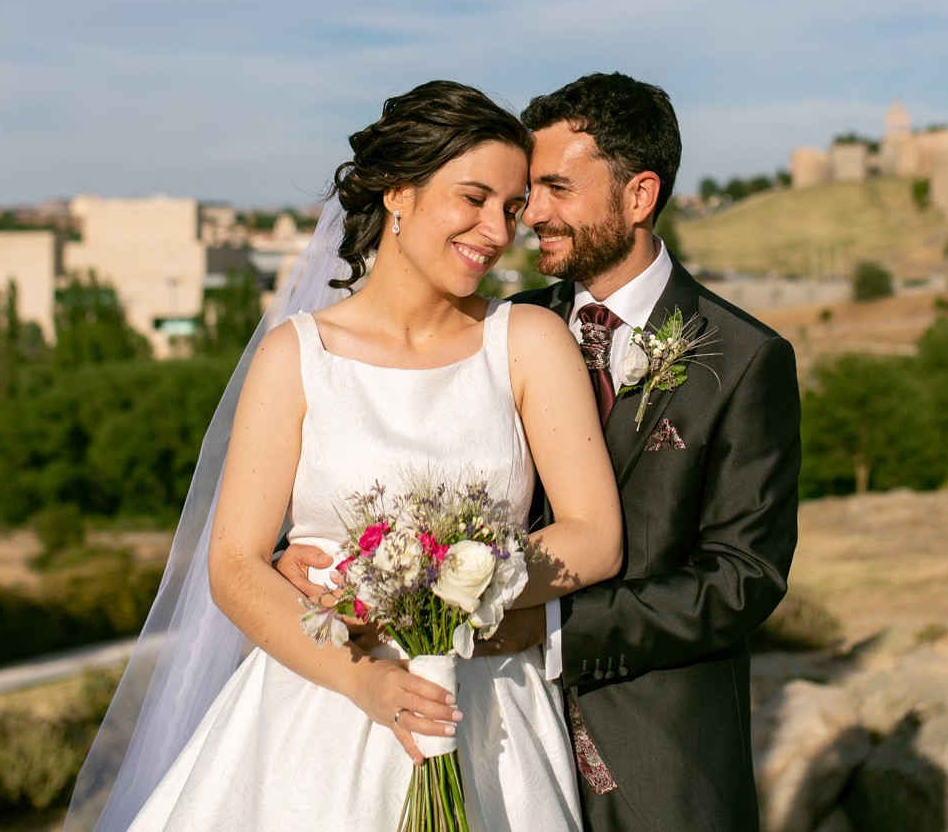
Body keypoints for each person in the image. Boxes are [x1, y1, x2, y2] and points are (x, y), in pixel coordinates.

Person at [66, 80, 623, 832]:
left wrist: (441, 596)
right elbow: (233, 565)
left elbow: (595, 536)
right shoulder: (296, 355)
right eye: (474, 198)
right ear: (398, 192)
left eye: (512, 207)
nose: (497, 230)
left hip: (488, 710)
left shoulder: (527, 341)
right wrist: (362, 681)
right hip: (319, 713)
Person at [285, 72, 801, 832]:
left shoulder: (746, 357)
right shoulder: (501, 328)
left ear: (639, 195)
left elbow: (741, 578)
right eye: (528, 194)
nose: (529, 217)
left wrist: (552, 627)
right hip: (486, 730)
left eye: (556, 189)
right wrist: (319, 558)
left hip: (658, 758)